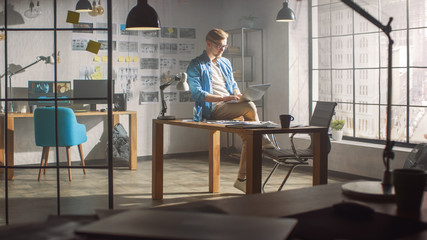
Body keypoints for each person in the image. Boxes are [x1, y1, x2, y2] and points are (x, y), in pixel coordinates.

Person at [186, 28, 273, 193]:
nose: (221, 49)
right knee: (250, 107)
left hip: (230, 105)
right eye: (218, 45)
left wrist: (236, 94)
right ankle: (264, 140)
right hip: (213, 108)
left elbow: (232, 84)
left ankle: (242, 179)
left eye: (224, 46)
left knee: (248, 138)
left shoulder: (225, 62)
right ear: (208, 43)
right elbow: (197, 94)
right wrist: (221, 98)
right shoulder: (196, 64)